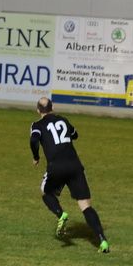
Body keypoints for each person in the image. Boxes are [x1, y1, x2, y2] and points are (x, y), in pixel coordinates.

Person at [29, 97, 110, 253]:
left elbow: (34, 140)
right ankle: (102, 241)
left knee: (46, 192)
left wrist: (36, 156)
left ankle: (61, 214)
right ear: (52, 108)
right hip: (75, 166)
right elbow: (75, 134)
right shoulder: (64, 121)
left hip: (56, 166)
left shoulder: (37, 125)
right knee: (86, 206)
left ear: (38, 110)